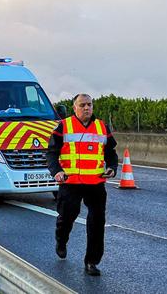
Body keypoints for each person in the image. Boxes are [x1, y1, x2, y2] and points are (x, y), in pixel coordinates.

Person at [46, 93, 118, 276]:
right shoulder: (63, 126)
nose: (87, 108)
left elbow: (110, 153)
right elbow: (52, 153)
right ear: (74, 107)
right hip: (71, 182)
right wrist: (57, 172)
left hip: (95, 183)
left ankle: (92, 262)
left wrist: (112, 167)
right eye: (83, 105)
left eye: (90, 104)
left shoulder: (102, 127)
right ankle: (61, 240)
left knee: (97, 222)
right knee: (67, 216)